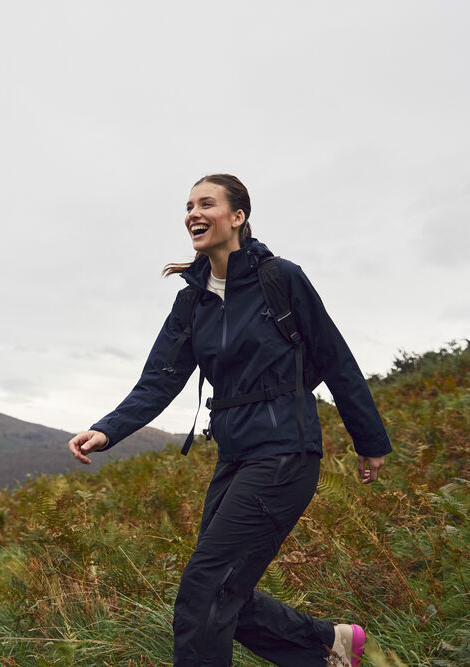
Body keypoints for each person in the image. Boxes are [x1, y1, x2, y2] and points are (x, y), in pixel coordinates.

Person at [68, 174, 390, 666]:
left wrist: (369, 439)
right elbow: (160, 378)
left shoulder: (280, 278)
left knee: (205, 587)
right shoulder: (192, 300)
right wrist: (108, 428)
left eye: (206, 204)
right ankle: (329, 644)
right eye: (188, 206)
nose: (193, 214)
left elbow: (336, 359)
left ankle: (327, 645)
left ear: (237, 216)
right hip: (235, 455)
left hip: (287, 451)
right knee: (222, 591)